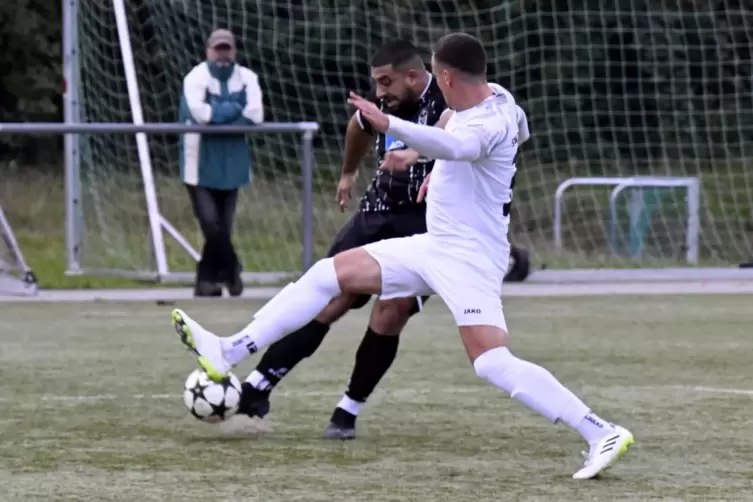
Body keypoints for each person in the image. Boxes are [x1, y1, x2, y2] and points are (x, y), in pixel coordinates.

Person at [171, 33, 634, 479]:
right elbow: (465, 132)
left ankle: (602, 432)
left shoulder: (487, 122)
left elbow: (459, 145)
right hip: (434, 244)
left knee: (490, 362)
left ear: (447, 79)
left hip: (469, 258)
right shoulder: (498, 99)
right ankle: (229, 350)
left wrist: (392, 125)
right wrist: (425, 162)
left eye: (435, 77)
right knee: (327, 275)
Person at [226, 40, 450, 439]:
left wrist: (417, 154)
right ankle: (258, 387)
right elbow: (358, 126)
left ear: (413, 76)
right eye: (376, 84)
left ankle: (347, 411)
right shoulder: (385, 103)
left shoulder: (450, 101)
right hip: (376, 213)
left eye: (386, 82)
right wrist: (348, 173)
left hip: (428, 224)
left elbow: (452, 130)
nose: (380, 92)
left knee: (391, 311)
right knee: (330, 298)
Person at [179, 29, 264, 297]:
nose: (223, 54)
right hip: (199, 163)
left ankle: (204, 283)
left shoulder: (248, 77)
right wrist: (234, 109)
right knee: (211, 225)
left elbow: (255, 114)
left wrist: (219, 115)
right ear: (208, 50)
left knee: (223, 227)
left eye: (227, 49)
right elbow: (199, 114)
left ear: (234, 50)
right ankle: (232, 268)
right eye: (218, 49)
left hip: (233, 164)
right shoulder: (195, 77)